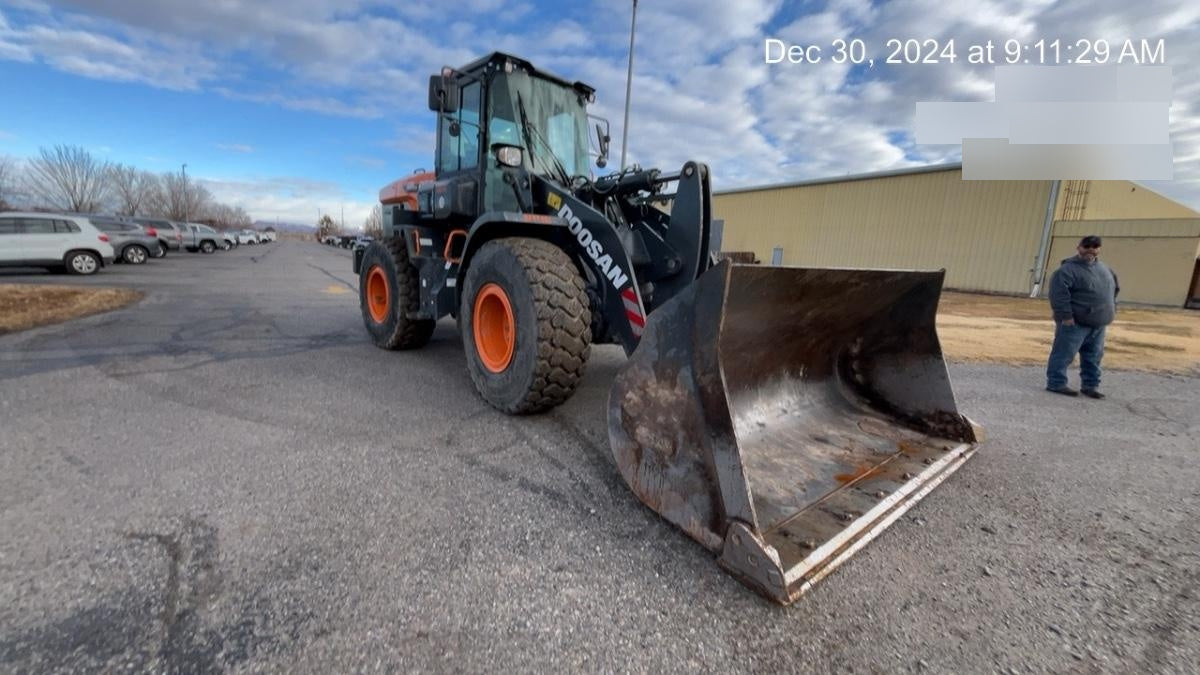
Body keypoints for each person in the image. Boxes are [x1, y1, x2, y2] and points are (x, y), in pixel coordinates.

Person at [1045, 235, 1120, 398]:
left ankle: (1090, 386)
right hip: (1074, 323)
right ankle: (1056, 383)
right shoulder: (1066, 271)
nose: (1091, 250)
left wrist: (1112, 310)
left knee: (1094, 357)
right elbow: (1058, 295)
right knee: (1064, 354)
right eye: (1087, 246)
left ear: (1099, 249)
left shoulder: (1106, 270)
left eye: (1095, 246)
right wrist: (1065, 316)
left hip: (1099, 324)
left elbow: (1114, 291)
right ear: (1078, 247)